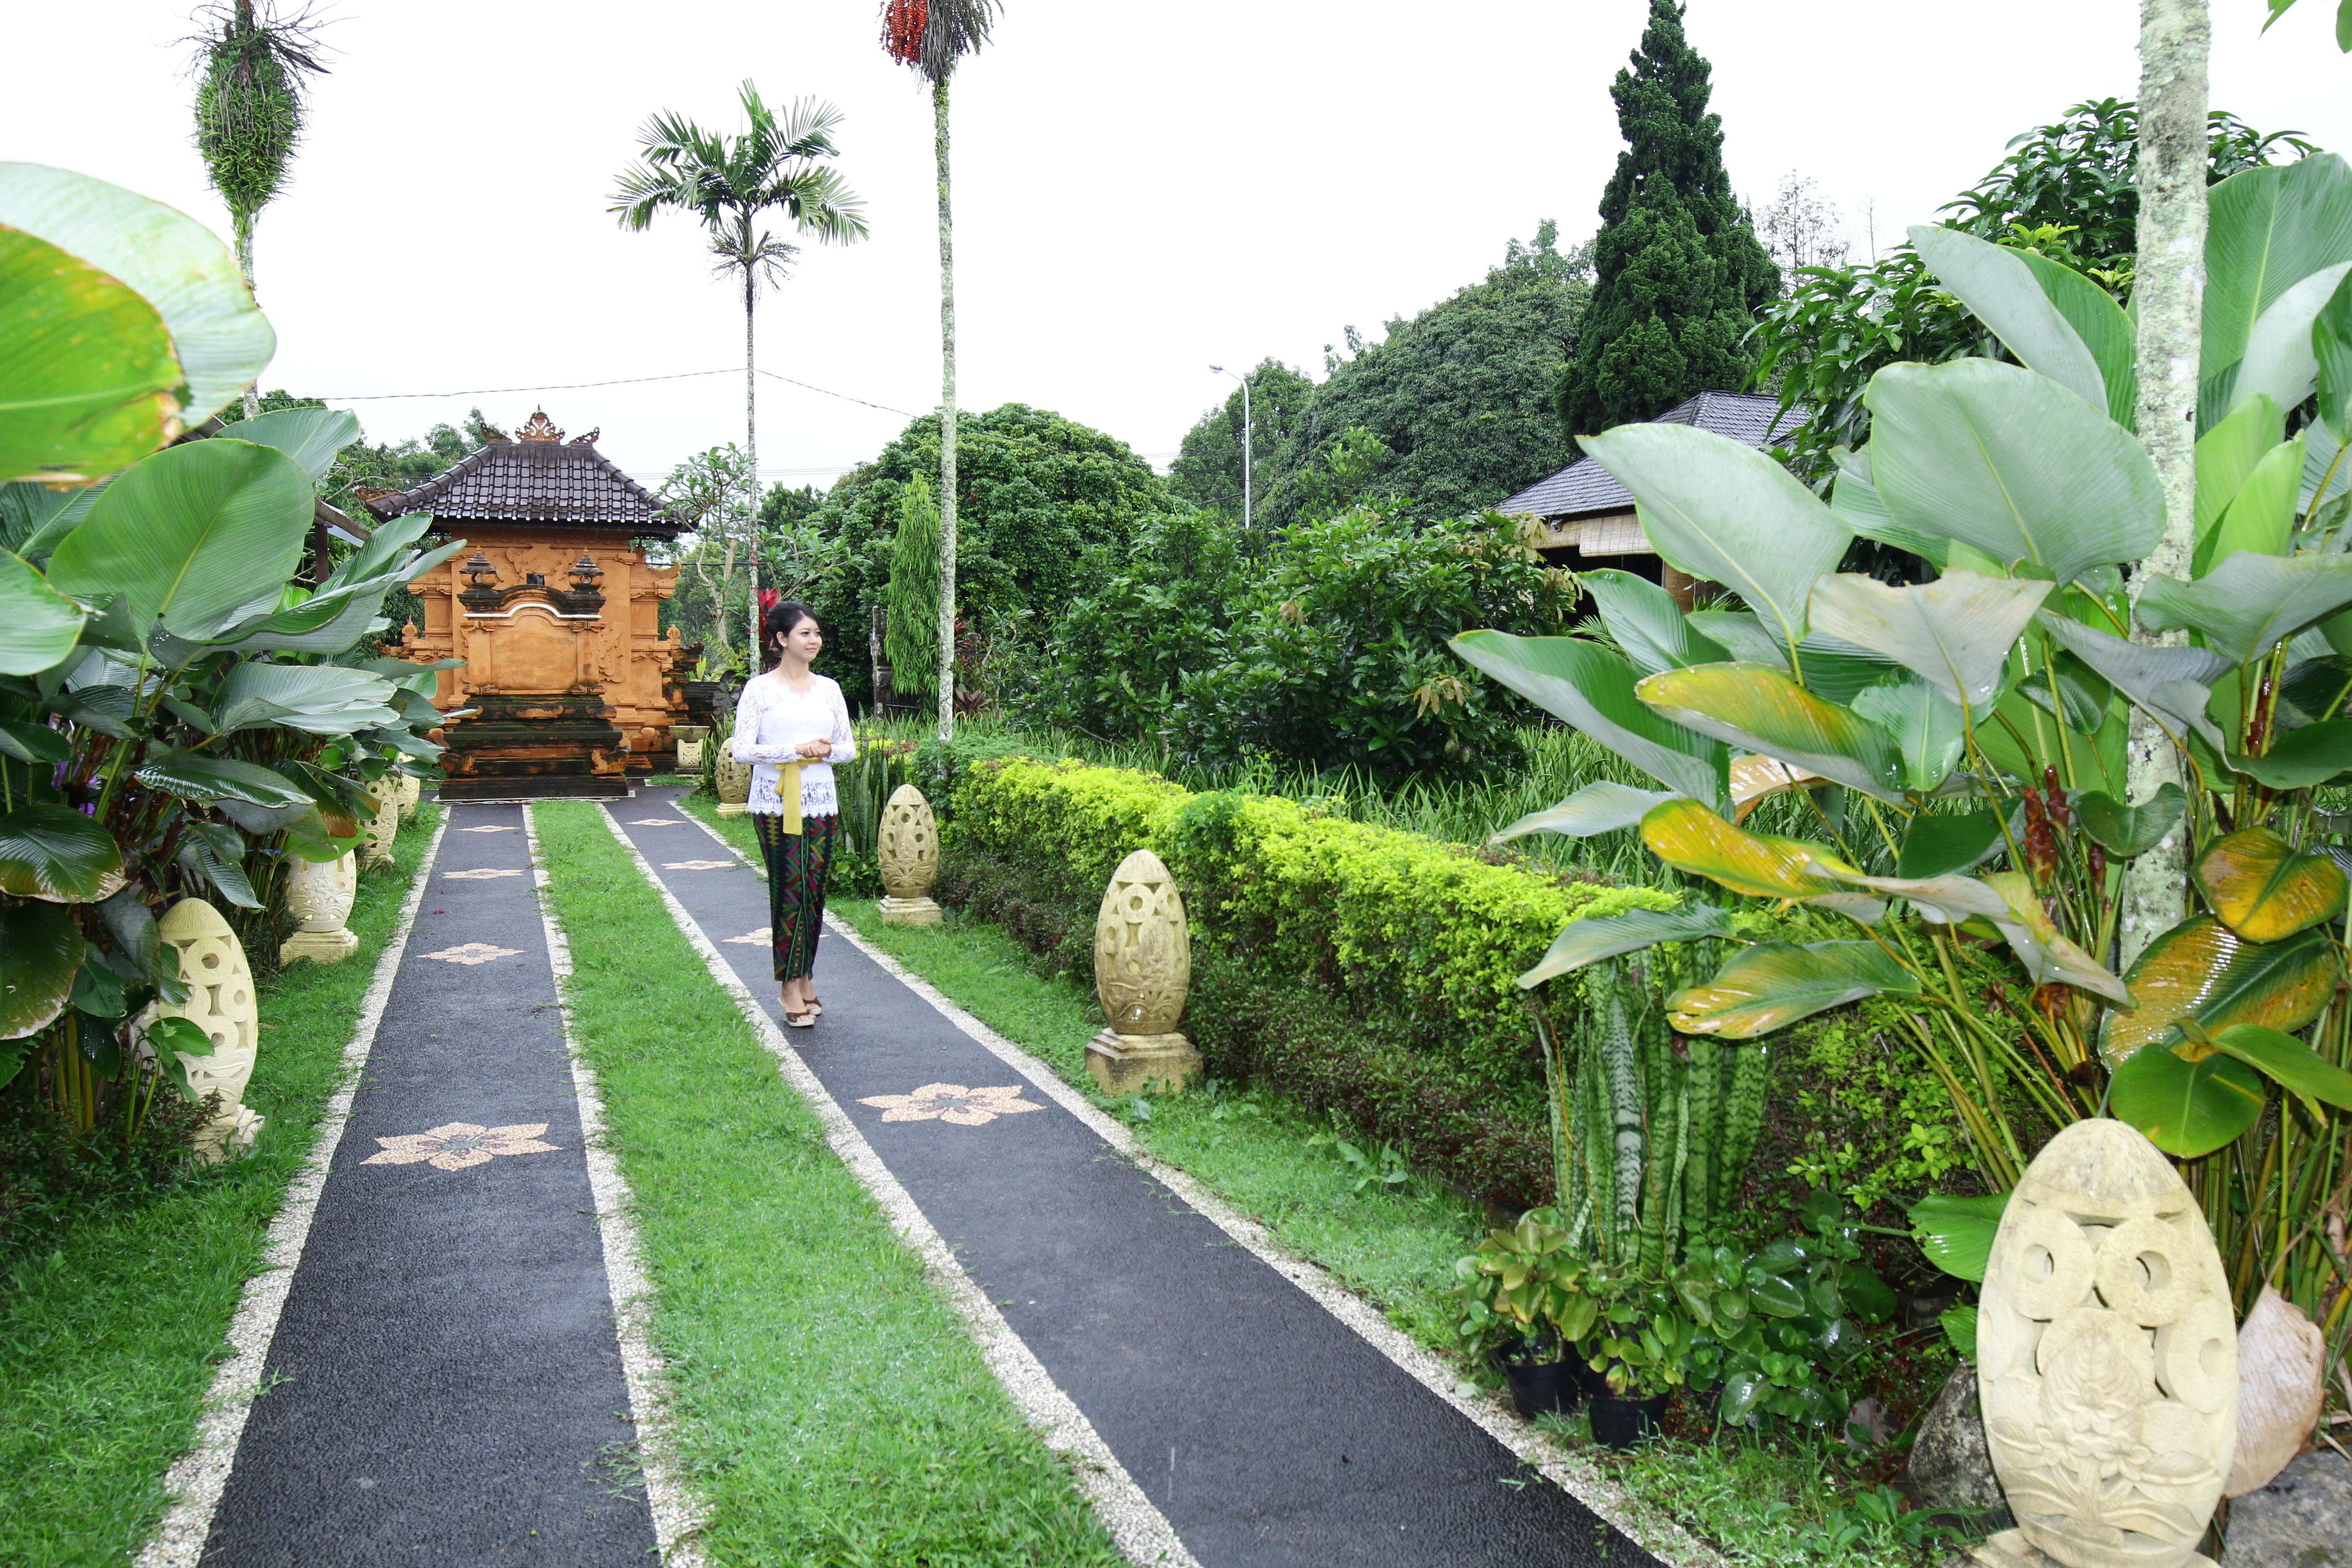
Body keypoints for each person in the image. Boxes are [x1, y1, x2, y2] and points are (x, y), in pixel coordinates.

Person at [730, 601, 856, 1028]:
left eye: (817, 633)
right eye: (805, 633)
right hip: (775, 799)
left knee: (815, 890)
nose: (814, 640)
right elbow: (743, 749)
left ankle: (805, 977)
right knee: (790, 888)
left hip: (820, 798)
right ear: (782, 639)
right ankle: (787, 985)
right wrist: (794, 750)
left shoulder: (829, 689)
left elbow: (847, 748)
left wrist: (822, 751)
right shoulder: (759, 689)